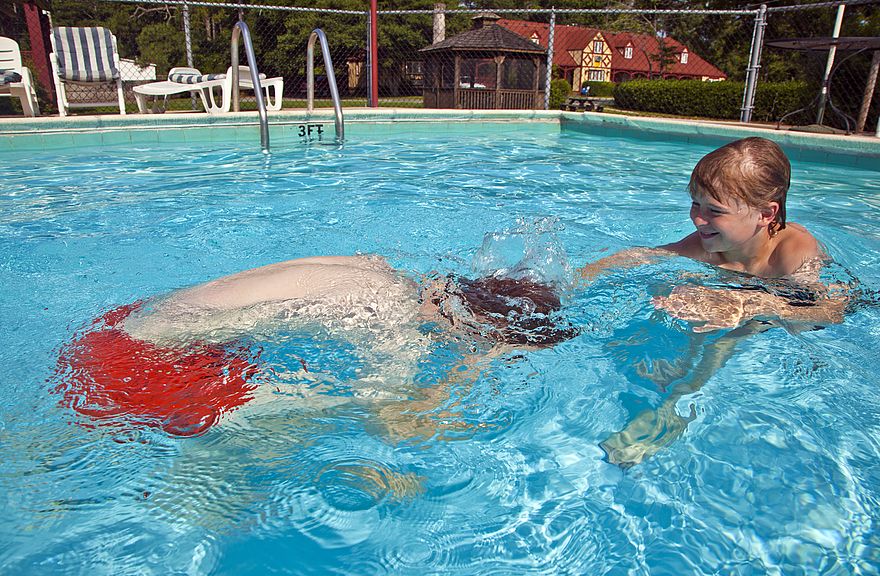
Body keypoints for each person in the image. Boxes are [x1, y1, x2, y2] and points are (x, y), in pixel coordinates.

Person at [55, 255, 577, 437]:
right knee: (274, 441)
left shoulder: (380, 271)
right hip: (133, 368)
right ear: (472, 326)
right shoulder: (392, 322)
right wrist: (474, 367)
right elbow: (396, 425)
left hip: (124, 321)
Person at [574, 136, 849, 467]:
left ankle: (675, 406)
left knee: (724, 336)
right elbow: (645, 257)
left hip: (779, 306)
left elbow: (831, 312)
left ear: (765, 213)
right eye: (695, 204)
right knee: (672, 289)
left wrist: (750, 306)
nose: (698, 219)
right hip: (741, 296)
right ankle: (670, 371)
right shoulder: (711, 246)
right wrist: (570, 281)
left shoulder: (793, 252)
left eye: (714, 211)